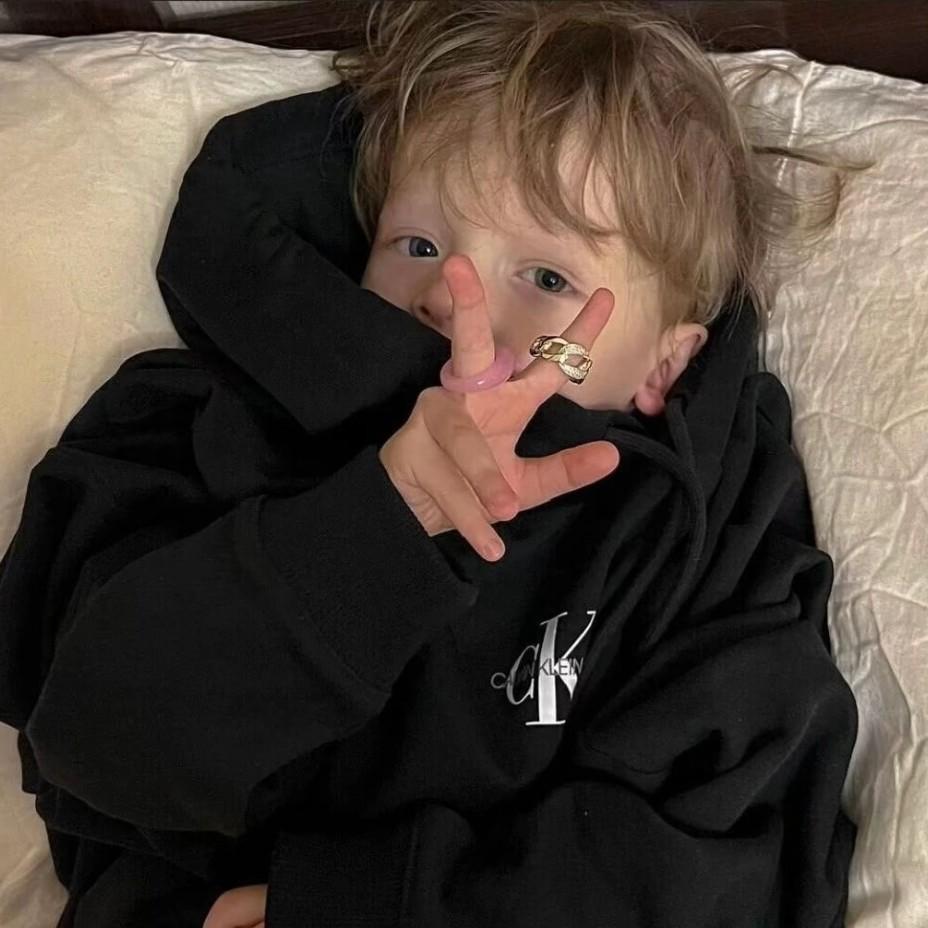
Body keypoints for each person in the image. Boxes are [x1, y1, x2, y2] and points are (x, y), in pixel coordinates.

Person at [0, 2, 867, 926]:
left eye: (548, 277)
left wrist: (351, 904)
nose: (454, 303)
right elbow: (90, 739)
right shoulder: (208, 418)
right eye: (418, 246)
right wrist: (380, 525)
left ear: (665, 366)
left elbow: (732, 857)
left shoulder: (703, 520)